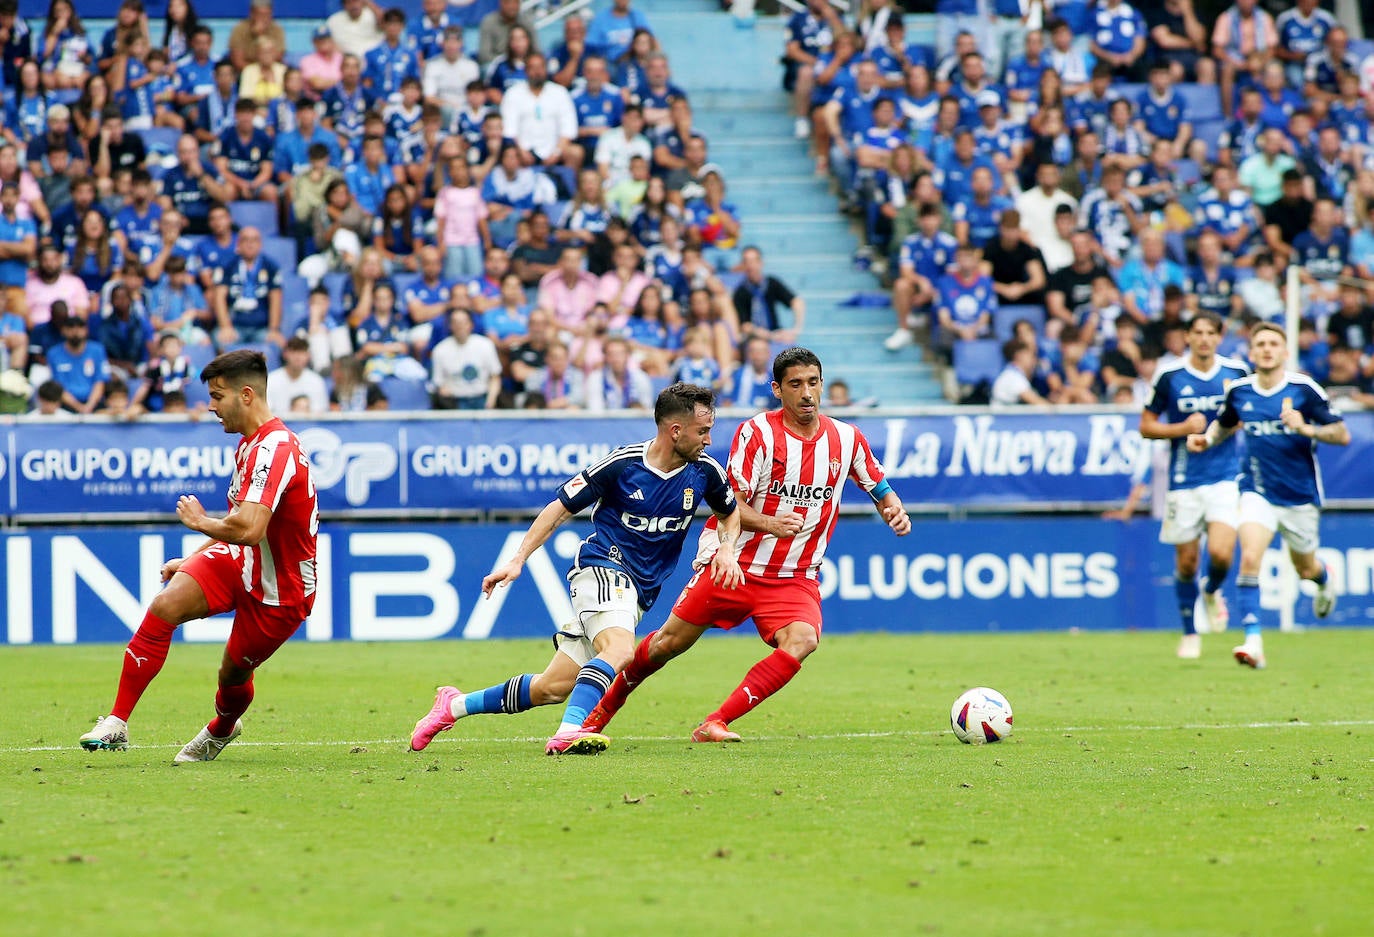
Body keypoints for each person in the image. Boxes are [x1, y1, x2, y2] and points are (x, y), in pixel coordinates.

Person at [578, 347, 909, 744]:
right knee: (666, 644)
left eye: (813, 383)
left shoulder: (847, 438)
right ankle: (597, 716)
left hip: (794, 575)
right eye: (795, 384)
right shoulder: (759, 433)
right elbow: (729, 506)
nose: (806, 393)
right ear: (777, 389)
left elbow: (878, 485)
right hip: (735, 564)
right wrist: (770, 524)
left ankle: (715, 722)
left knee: (803, 640)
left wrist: (893, 509)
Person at [409, 381, 742, 755]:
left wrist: (727, 549)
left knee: (551, 687)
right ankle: (569, 732)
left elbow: (730, 515)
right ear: (675, 430)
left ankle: (452, 706)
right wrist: (517, 559)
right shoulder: (622, 465)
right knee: (620, 650)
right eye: (703, 431)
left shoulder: (705, 472)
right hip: (602, 569)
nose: (709, 440)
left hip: (637, 593)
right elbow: (559, 509)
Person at [78, 350, 318, 760]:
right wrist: (192, 558)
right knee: (165, 606)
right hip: (241, 561)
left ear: (246, 395)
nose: (210, 406)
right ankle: (117, 722)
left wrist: (200, 522)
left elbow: (250, 529)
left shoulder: (273, 450)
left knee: (233, 673)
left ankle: (222, 728)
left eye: (217, 396)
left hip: (281, 590)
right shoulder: (251, 445)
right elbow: (241, 522)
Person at [1186, 323, 1348, 670]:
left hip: (1300, 496)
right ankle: (1253, 642)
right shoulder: (1240, 391)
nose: (1267, 349)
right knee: (1249, 558)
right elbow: (1225, 424)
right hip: (1256, 490)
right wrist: (1207, 439)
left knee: (1304, 568)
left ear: (1285, 352)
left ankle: (1323, 579)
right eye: (1260, 344)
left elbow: (1341, 433)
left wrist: (1305, 428)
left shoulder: (1304, 390)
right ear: (1251, 352)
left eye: (1274, 343)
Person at [1140, 314, 1250, 659]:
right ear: (1187, 336)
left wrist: (1226, 427)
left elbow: (1248, 415)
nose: (1203, 339)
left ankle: (1212, 589)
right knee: (1187, 563)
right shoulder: (1170, 375)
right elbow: (1146, 426)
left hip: (1225, 477)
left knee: (1221, 553)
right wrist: (1182, 428)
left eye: (1210, 333)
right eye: (1197, 332)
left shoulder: (1236, 372)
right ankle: (1190, 632)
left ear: (1220, 337)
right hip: (1183, 480)